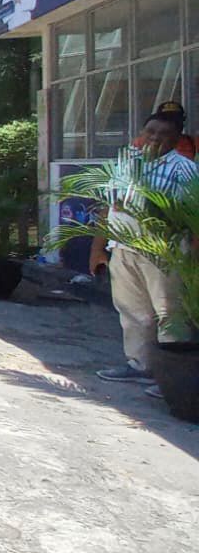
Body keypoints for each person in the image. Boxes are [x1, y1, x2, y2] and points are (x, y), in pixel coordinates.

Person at [90, 112, 197, 396]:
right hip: (123, 249)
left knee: (168, 313)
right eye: (151, 131)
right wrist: (98, 248)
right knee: (133, 312)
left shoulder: (183, 169)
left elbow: (189, 214)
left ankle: (171, 374)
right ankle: (140, 366)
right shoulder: (126, 165)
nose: (155, 138)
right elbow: (108, 206)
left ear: (176, 139)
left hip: (162, 253)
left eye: (163, 134)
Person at [131, 101, 195, 159]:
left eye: (175, 120)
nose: (170, 123)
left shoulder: (189, 143)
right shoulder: (141, 141)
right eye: (164, 119)